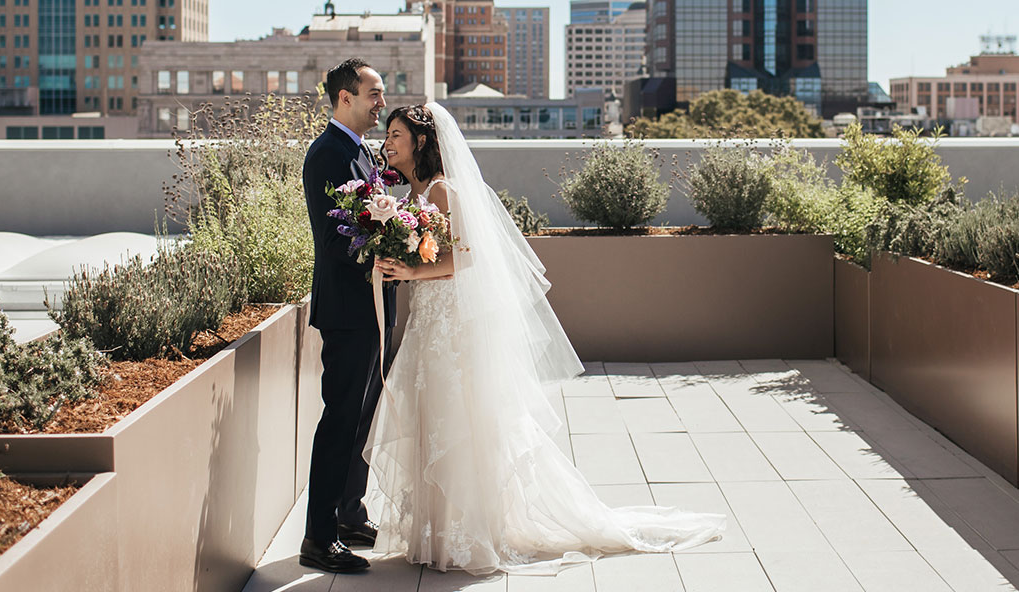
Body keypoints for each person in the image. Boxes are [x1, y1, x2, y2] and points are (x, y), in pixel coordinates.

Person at [365, 103, 727, 574]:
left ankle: (467, 534)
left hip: (449, 325)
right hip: (427, 320)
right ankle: (437, 532)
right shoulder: (414, 195)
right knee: (432, 416)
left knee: (455, 420)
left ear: (422, 142)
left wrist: (411, 269)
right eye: (388, 134)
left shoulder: (442, 190)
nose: (388, 142)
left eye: (396, 134)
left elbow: (466, 258)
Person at [297, 59, 396, 575]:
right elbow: (334, 240)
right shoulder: (327, 155)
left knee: (361, 417)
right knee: (339, 420)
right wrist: (389, 248)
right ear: (345, 98)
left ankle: (349, 514)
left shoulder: (360, 151)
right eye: (374, 93)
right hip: (348, 311)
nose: (382, 101)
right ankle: (318, 538)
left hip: (372, 306)